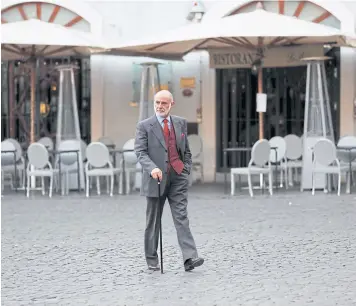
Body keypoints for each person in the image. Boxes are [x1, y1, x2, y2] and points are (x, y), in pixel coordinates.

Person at [134, 90, 204, 272]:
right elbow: (140, 152)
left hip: (177, 177)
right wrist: (152, 168)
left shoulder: (180, 123)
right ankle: (151, 259)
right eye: (157, 102)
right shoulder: (144, 126)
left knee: (181, 217)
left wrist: (185, 169)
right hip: (155, 179)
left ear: (171, 104)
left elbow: (185, 150)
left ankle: (190, 257)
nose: (160, 106)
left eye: (164, 103)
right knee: (153, 221)